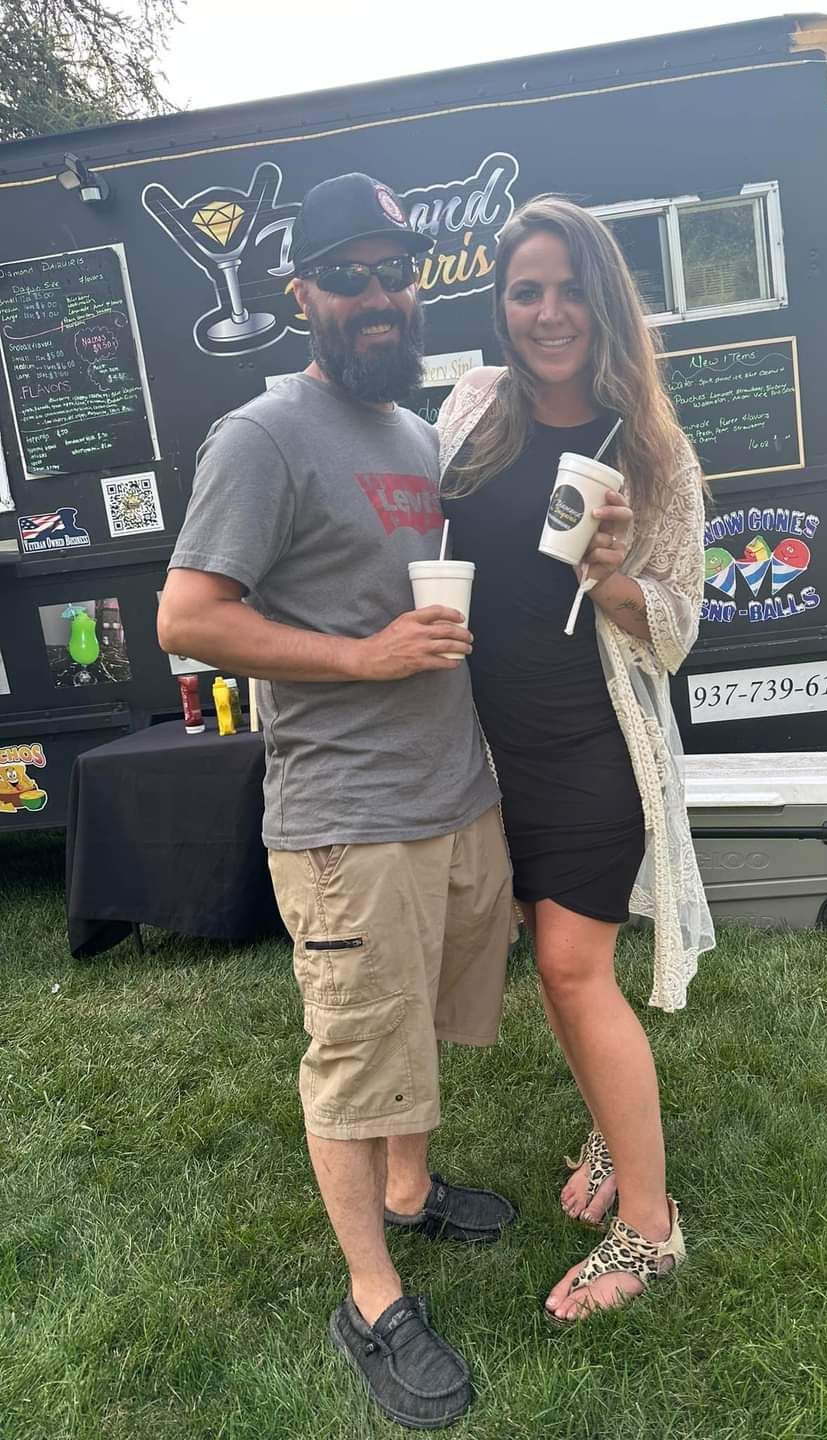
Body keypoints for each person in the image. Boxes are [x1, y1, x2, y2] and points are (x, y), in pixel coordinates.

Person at [158, 172, 515, 1432]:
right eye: (349, 275)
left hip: (454, 794)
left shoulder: (417, 434)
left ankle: (411, 1195)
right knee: (357, 1056)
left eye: (395, 272)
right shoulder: (261, 436)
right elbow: (189, 618)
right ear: (300, 291)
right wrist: (365, 658)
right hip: (348, 818)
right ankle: (371, 1298)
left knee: (419, 1021)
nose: (378, 295)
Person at [438, 195, 715, 1324]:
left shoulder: (648, 445)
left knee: (570, 968)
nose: (548, 313)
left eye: (568, 290)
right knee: (557, 969)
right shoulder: (472, 411)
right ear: (502, 305)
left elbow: (681, 626)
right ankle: (611, 1128)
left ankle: (651, 1230)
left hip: (594, 752)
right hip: (486, 756)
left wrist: (611, 574)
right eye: (525, 291)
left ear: (604, 301)